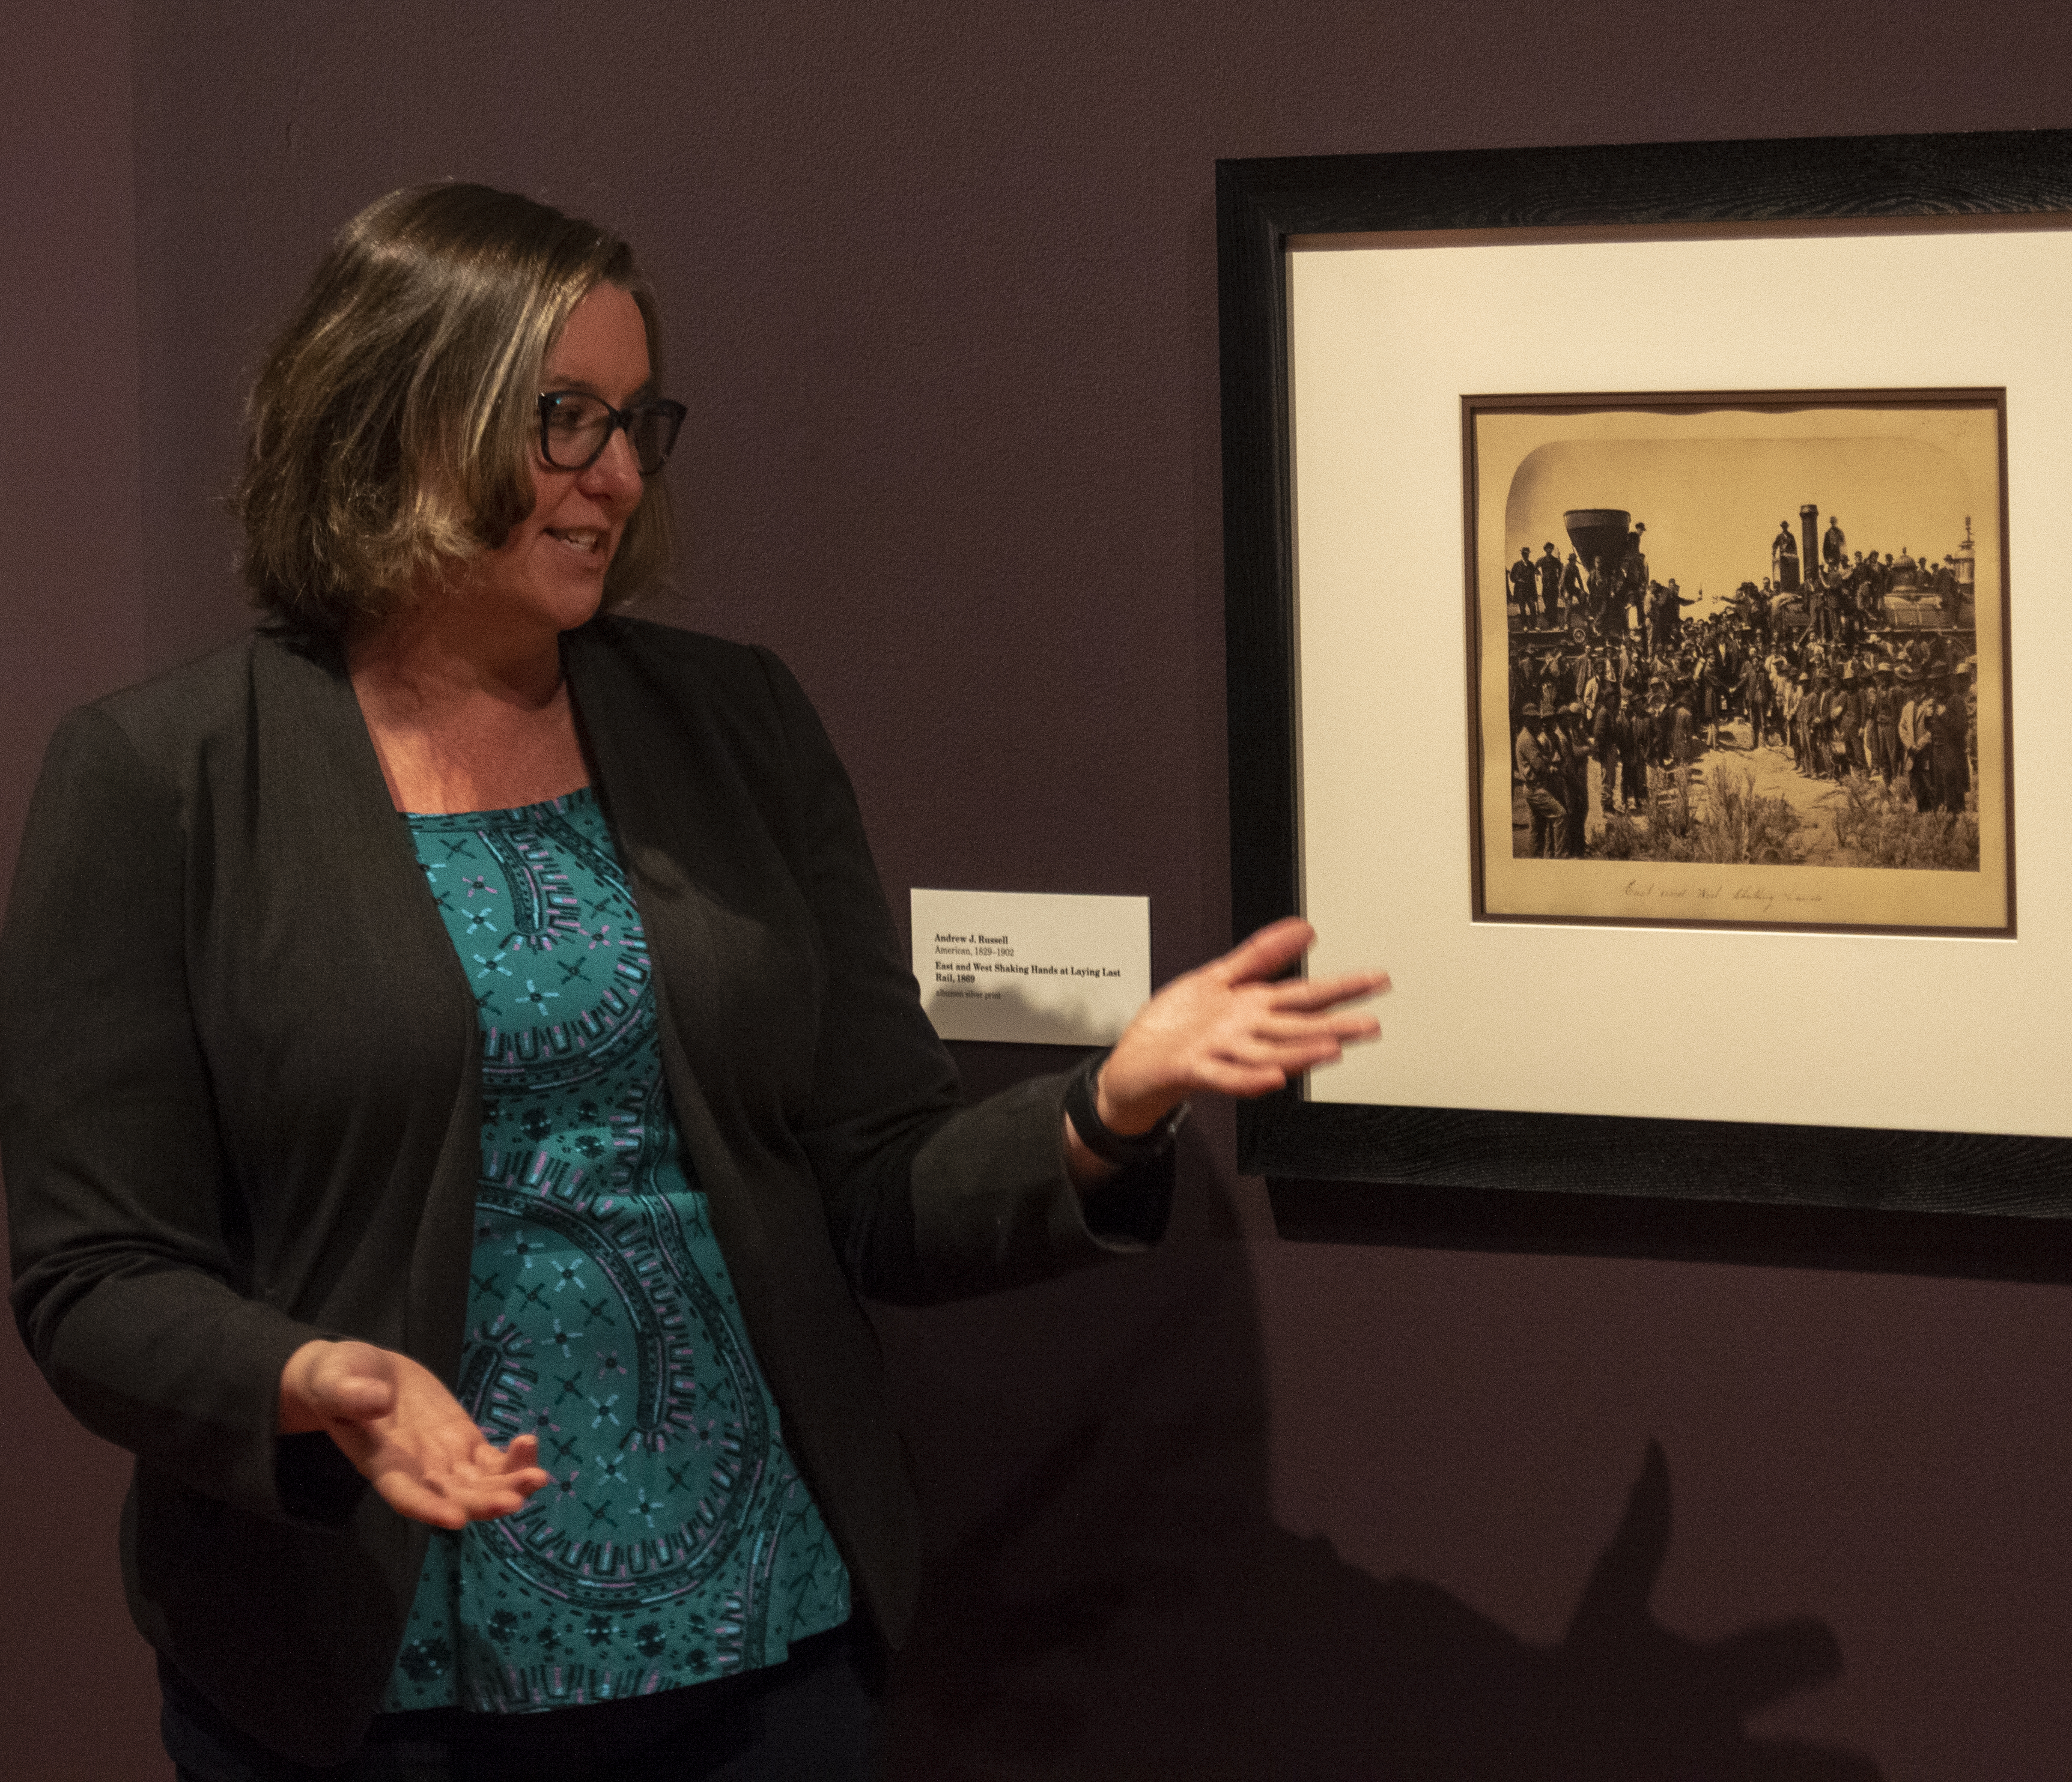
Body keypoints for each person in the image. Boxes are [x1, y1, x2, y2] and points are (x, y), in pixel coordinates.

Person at [0, 184, 1387, 1781]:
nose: (618, 474)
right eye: (564, 418)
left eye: (637, 420)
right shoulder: (161, 778)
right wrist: (306, 1379)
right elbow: (92, 1276)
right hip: (369, 1672)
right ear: (395, 415)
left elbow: (874, 1183)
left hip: (761, 1660)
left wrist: (1103, 1110)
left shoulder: (736, 725)